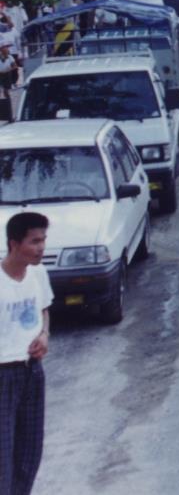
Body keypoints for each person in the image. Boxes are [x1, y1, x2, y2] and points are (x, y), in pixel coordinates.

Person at [0, 212, 52, 495]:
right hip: (3, 375)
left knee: (29, 454)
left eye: (43, 240)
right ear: (14, 244)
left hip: (32, 372)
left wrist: (44, 334)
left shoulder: (38, 272)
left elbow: (44, 308)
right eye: (35, 241)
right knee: (2, 460)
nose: (42, 247)